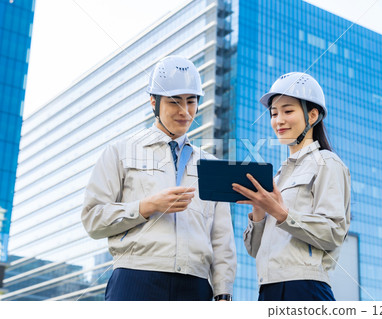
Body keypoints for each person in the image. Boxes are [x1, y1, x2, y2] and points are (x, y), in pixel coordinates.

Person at [81, 55, 236, 301]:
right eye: (174, 102)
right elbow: (93, 220)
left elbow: (222, 239)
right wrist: (147, 207)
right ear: (154, 102)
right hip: (136, 278)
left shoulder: (212, 166)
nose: (185, 111)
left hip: (195, 287)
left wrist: (223, 291)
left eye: (191, 101)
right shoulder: (119, 152)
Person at [232, 72, 351, 301]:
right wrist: (258, 211)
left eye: (288, 111)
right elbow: (254, 250)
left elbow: (334, 232)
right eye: (274, 113)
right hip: (268, 289)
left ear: (312, 115)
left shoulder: (327, 162)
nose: (279, 120)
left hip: (305, 288)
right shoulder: (277, 178)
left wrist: (279, 212)